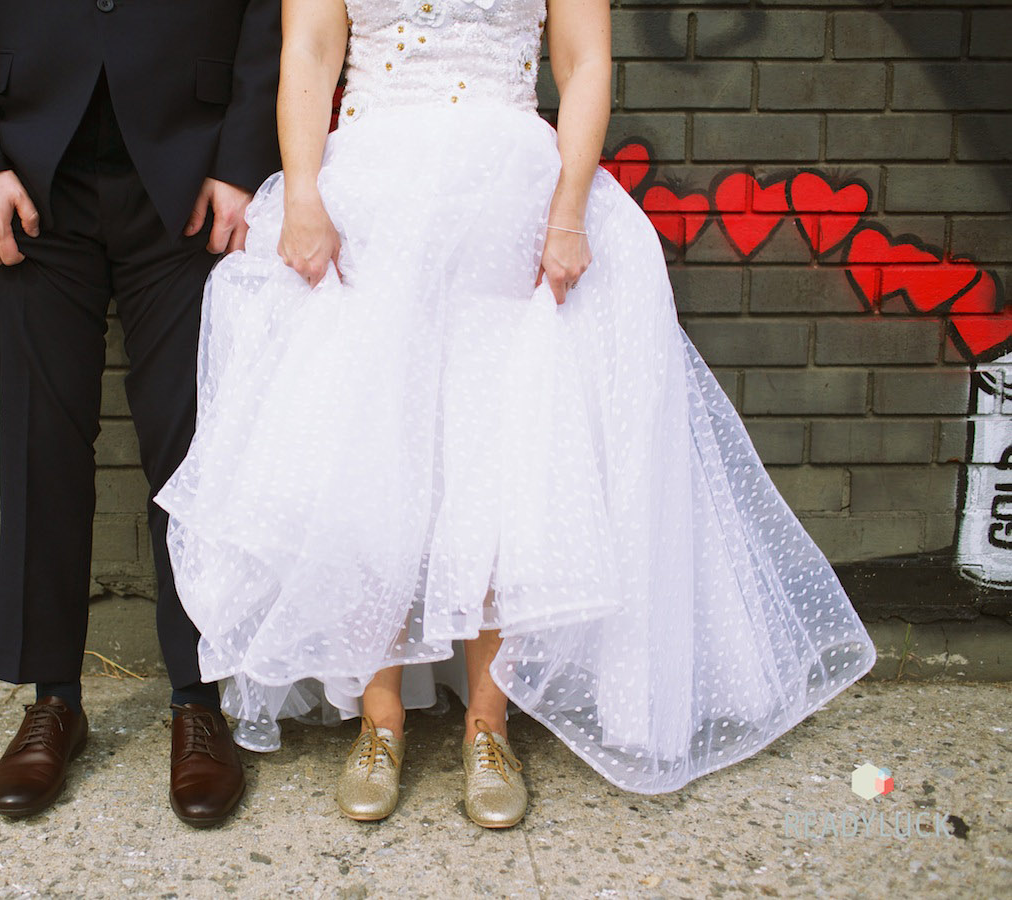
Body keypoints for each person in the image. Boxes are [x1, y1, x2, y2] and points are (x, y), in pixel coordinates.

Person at [154, 0, 877, 829]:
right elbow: (310, 53)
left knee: (502, 459)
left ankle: (486, 726)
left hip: (510, 207)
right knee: (371, 455)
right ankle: (379, 721)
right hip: (373, 209)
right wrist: (307, 193)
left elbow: (585, 65)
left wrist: (568, 213)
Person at [0, 0, 281, 826]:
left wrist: (246, 160)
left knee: (192, 443)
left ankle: (197, 698)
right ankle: (54, 699)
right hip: (27, 161)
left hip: (192, 158)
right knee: (41, 437)